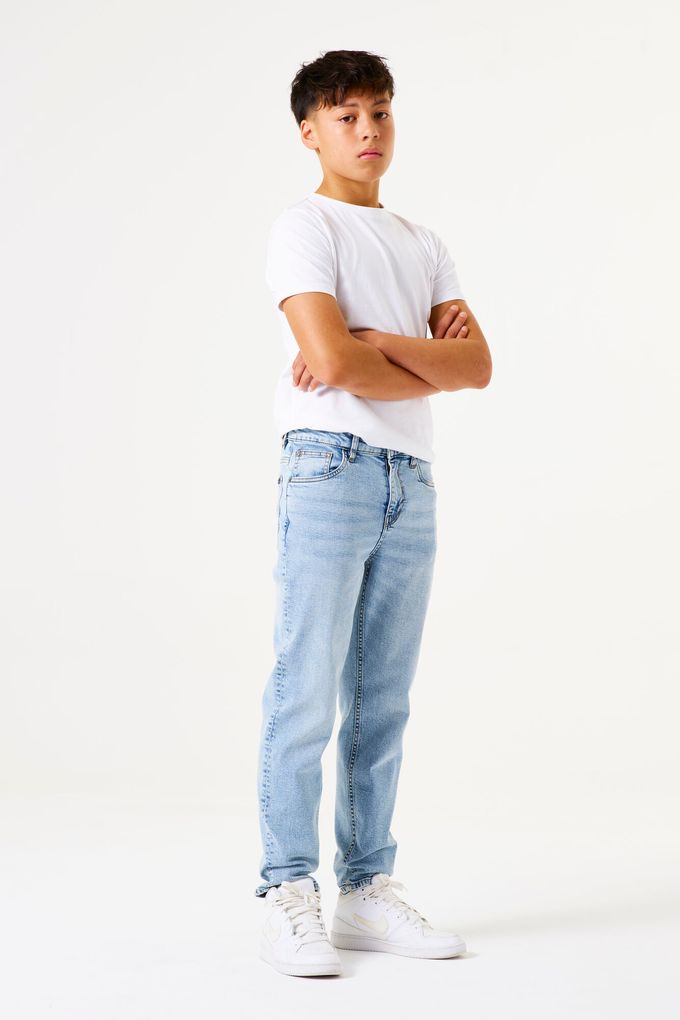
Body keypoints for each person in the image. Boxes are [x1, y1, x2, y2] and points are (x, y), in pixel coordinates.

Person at [255, 49, 492, 977]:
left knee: (382, 700)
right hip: (328, 466)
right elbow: (332, 365)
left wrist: (373, 340)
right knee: (305, 690)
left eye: (381, 113)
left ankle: (364, 890)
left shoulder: (423, 243)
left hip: (410, 478)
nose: (368, 131)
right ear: (310, 131)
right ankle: (288, 890)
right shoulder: (304, 227)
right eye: (347, 116)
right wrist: (411, 359)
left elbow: (477, 367)